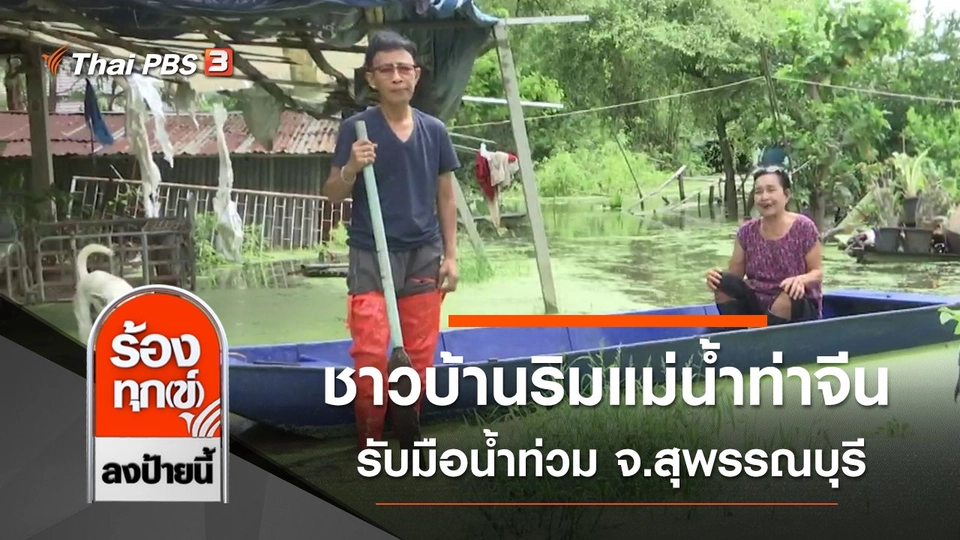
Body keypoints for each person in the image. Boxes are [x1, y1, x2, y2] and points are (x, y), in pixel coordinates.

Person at [321, 30, 460, 451]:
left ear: (416, 76)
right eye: (387, 69)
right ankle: (368, 440)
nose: (397, 76)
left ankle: (407, 432)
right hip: (371, 254)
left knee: (417, 355)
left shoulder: (434, 130)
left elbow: (446, 194)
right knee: (370, 353)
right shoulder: (357, 129)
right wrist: (351, 166)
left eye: (405, 68)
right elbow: (331, 192)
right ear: (372, 79)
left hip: (423, 253)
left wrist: (451, 256)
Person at [704, 165, 823, 326]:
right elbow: (735, 276)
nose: (764, 197)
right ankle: (738, 334)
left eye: (771, 190)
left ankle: (767, 338)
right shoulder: (746, 232)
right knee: (723, 282)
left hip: (795, 305)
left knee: (789, 294)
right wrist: (714, 277)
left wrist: (800, 280)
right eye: (758, 192)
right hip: (757, 308)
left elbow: (817, 273)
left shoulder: (804, 227)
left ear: (786, 195)